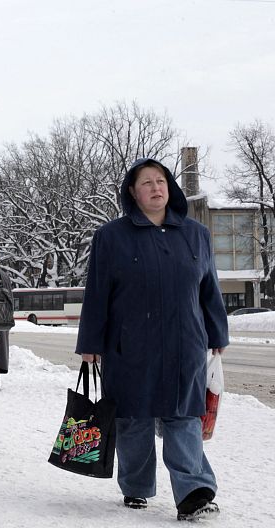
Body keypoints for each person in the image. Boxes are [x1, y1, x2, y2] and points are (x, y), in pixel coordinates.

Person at [75, 158, 228, 521]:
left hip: (185, 343)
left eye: (161, 181)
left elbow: (209, 289)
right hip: (129, 345)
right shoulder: (112, 236)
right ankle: (137, 486)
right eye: (147, 183)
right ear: (133, 192)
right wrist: (90, 343)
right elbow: (96, 293)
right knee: (134, 419)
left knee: (184, 417)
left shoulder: (196, 234)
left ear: (170, 187)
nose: (156, 188)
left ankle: (194, 491)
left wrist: (217, 332)